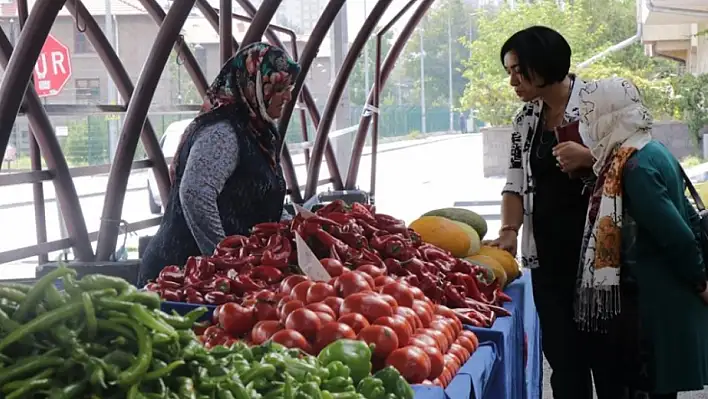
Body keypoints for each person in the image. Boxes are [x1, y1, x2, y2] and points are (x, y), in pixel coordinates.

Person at [487, 26, 615, 399]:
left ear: (542, 66)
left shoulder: (601, 101)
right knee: (565, 364)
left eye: (517, 70)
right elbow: (514, 183)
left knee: (612, 364)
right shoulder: (525, 120)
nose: (511, 80)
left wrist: (591, 158)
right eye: (508, 70)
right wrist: (509, 230)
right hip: (548, 263)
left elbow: (641, 161)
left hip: (603, 261)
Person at [576, 77, 708, 398]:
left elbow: (675, 233)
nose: (585, 123)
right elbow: (688, 215)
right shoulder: (651, 148)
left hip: (653, 306)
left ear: (610, 114)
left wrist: (701, 281)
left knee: (651, 387)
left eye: (590, 113)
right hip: (658, 299)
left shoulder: (633, 165)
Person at [138, 42, 300, 286]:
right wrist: (223, 259)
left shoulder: (258, 131)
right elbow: (195, 194)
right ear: (251, 86)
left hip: (214, 277)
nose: (287, 96)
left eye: (288, 87)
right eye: (278, 88)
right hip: (180, 276)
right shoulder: (222, 133)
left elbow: (259, 197)